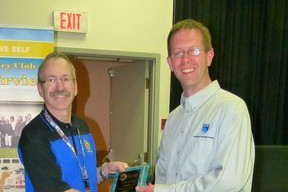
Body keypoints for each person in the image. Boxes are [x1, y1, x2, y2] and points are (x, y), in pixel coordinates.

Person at [136, 19, 255, 192]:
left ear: (209, 57)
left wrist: (165, 191)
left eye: (194, 50)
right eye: (178, 53)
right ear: (170, 63)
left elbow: (228, 181)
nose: (185, 60)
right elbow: (163, 175)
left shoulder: (231, 109)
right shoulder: (174, 118)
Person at [18, 52, 128, 192]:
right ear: (40, 89)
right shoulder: (34, 135)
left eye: (65, 79)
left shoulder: (82, 126)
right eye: (51, 80)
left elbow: (83, 177)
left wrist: (104, 171)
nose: (60, 87)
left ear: (75, 86)